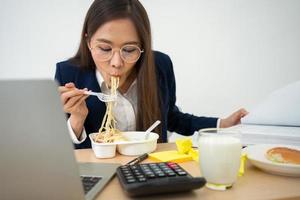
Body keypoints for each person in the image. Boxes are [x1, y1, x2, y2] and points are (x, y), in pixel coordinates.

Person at [55, 0, 248, 149]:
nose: (116, 63)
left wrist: (222, 123)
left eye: (129, 50)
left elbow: (171, 117)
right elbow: (59, 154)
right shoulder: (68, 73)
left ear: (143, 47)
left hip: (152, 172)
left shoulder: (160, 65)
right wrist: (76, 120)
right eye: (105, 48)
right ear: (88, 42)